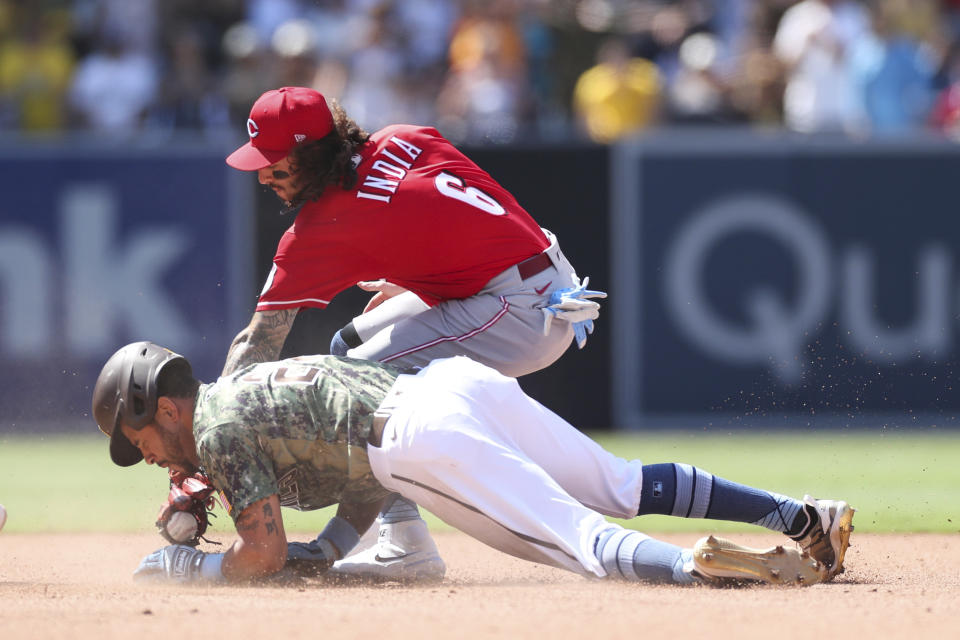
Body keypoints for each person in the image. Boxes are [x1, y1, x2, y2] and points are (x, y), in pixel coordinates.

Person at [221, 86, 606, 580]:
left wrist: (211, 430)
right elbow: (480, 207)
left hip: (521, 311)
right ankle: (372, 535)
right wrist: (422, 272)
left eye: (276, 162)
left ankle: (405, 542)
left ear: (313, 152)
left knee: (358, 384)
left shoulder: (326, 223)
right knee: (349, 347)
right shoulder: (403, 137)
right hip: (544, 277)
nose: (263, 175)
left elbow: (258, 343)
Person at [92, 341, 855, 586]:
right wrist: (323, 552)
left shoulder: (218, 433)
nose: (148, 457)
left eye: (140, 442)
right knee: (620, 484)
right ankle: (803, 513)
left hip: (418, 437)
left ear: (162, 409)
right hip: (456, 386)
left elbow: (255, 553)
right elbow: (357, 485)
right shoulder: (244, 395)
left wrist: (184, 566)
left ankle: (707, 569)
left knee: (579, 542)